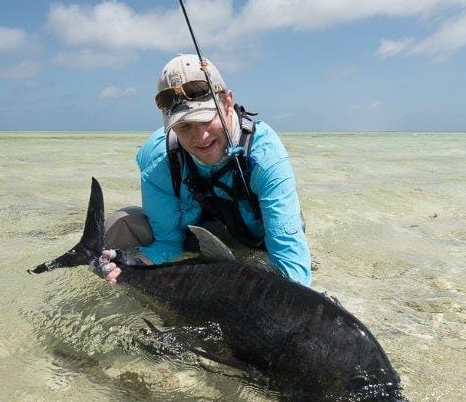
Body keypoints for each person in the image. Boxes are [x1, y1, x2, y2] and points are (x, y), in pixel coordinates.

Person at [101, 54, 311, 286]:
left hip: (257, 238)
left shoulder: (265, 155)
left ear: (228, 103)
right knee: (118, 223)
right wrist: (138, 265)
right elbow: (168, 242)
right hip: (197, 235)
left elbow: (289, 263)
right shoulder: (157, 159)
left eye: (206, 119)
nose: (200, 137)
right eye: (184, 126)